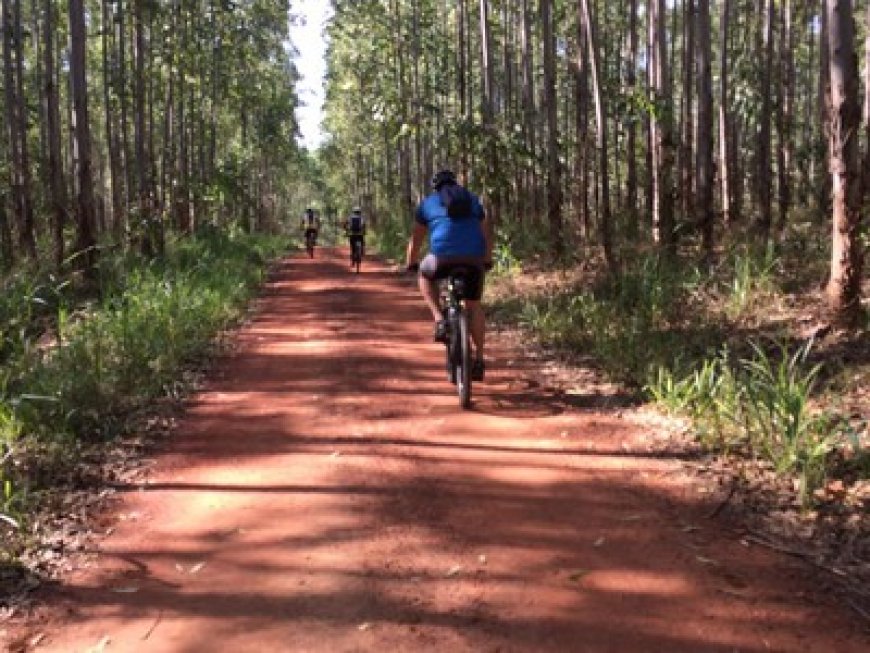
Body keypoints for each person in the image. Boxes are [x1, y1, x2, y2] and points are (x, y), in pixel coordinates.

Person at [406, 169, 492, 381]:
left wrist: (411, 263)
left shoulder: (427, 204)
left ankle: (439, 319)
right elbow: (486, 232)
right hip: (474, 260)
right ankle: (479, 359)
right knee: (474, 306)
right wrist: (487, 259)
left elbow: (416, 240)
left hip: (441, 259)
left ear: (435, 187)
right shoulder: (472, 200)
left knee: (425, 276)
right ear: (455, 184)